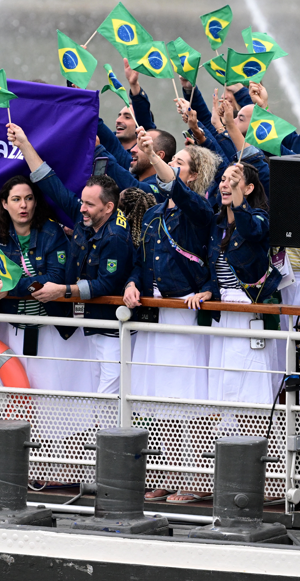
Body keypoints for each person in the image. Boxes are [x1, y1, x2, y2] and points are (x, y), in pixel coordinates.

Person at [125, 129, 220, 503]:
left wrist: (156, 157)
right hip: (153, 316)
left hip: (183, 313)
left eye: (179, 163)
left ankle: (195, 478)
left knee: (187, 403)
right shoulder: (150, 214)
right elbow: (139, 261)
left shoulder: (199, 211)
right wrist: (133, 285)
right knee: (157, 403)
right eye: (170, 162)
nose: (170, 168)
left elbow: (179, 192)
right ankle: (166, 473)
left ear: (192, 175)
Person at [8, 123, 134, 394]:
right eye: (82, 202)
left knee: (109, 394)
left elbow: (105, 285)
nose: (82, 209)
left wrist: (63, 291)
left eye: (89, 204)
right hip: (89, 324)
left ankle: (113, 438)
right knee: (95, 392)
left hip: (112, 327)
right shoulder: (85, 217)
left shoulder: (115, 236)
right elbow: (50, 183)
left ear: (109, 208)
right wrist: (25, 144)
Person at [0, 175, 97, 391]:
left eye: (29, 198)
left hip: (51, 326)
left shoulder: (52, 232)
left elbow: (54, 279)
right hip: (10, 326)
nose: (23, 205)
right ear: (4, 204)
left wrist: (12, 286)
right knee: (16, 392)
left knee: (54, 392)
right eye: (16, 199)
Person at [186, 163, 280, 404]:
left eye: (234, 180)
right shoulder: (216, 226)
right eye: (224, 179)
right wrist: (208, 290)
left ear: (248, 189)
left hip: (248, 313)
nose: (225, 184)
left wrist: (239, 204)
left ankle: (257, 442)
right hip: (222, 314)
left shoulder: (260, 219)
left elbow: (250, 231)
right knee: (222, 393)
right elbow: (213, 271)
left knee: (250, 396)